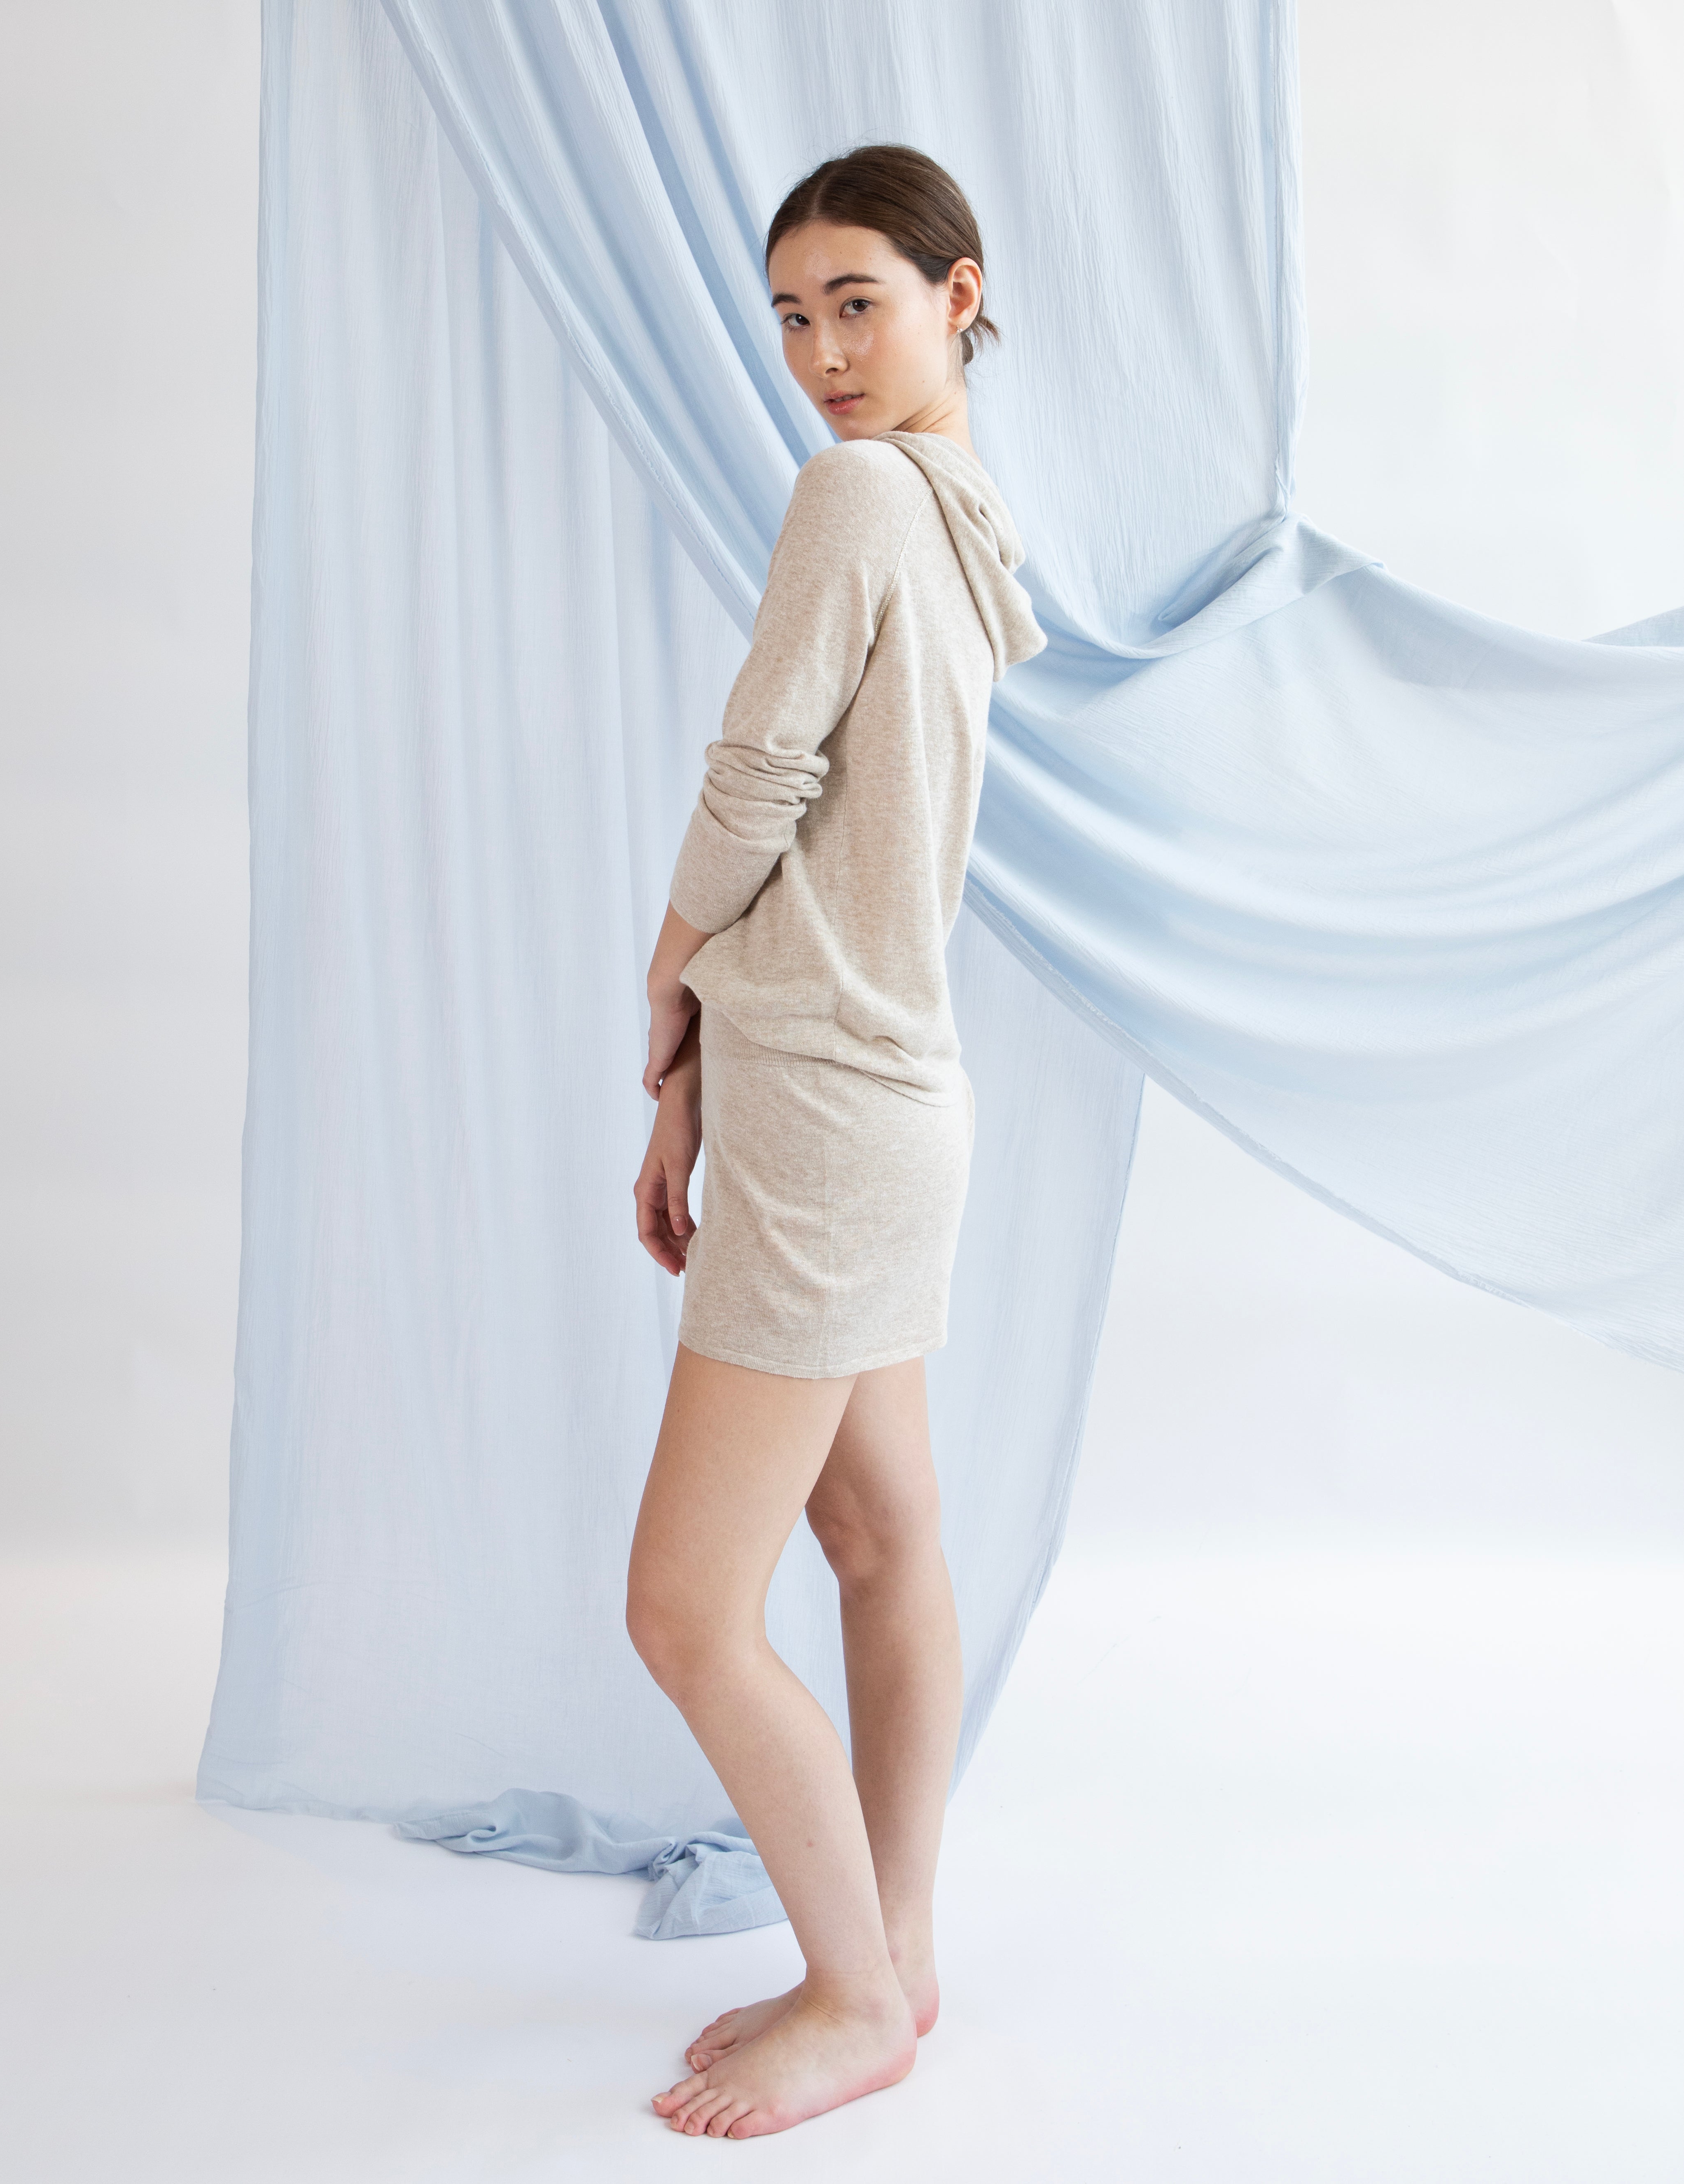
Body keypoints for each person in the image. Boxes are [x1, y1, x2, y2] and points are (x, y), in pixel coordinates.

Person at [626, 143, 1046, 2141]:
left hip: (824, 1113)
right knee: (882, 1541)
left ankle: (858, 1994)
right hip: (888, 1097)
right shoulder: (968, 519)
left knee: (684, 1610)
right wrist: (702, 1060)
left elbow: (759, 775)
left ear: (959, 295)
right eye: (792, 317)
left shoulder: (860, 497)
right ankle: (902, 1950)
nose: (819, 355)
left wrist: (670, 971)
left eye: (857, 303)